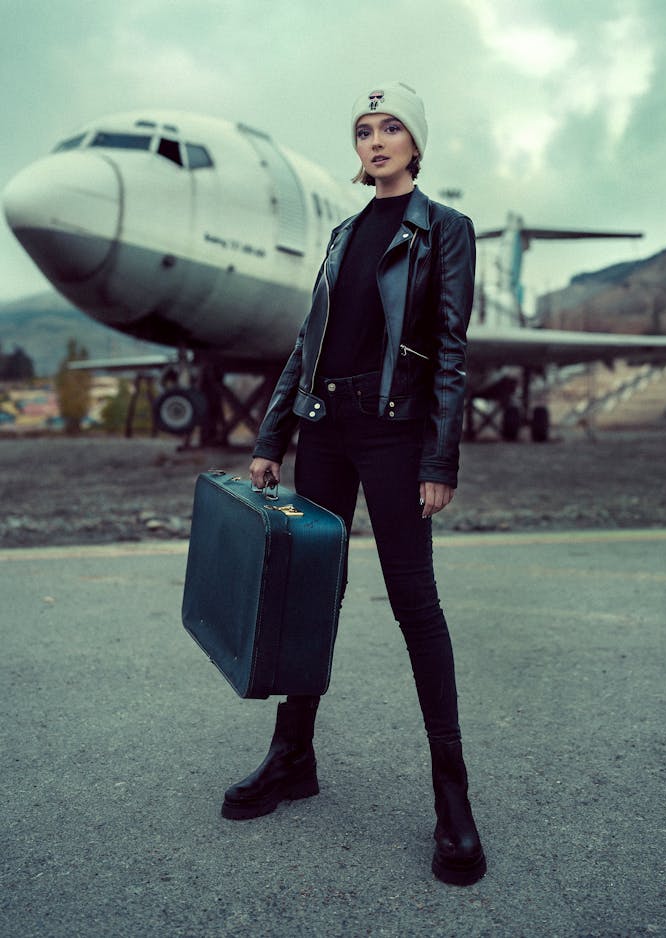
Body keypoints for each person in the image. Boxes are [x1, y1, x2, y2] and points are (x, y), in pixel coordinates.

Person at [222, 81, 486, 887]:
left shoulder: (444, 229)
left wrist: (441, 458)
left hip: (395, 433)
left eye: (391, 128)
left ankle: (453, 799)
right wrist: (273, 435)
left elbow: (449, 347)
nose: (375, 141)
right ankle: (291, 758)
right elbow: (309, 342)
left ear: (415, 144)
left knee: (416, 604)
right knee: (311, 595)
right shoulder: (342, 234)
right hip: (324, 433)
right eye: (365, 130)